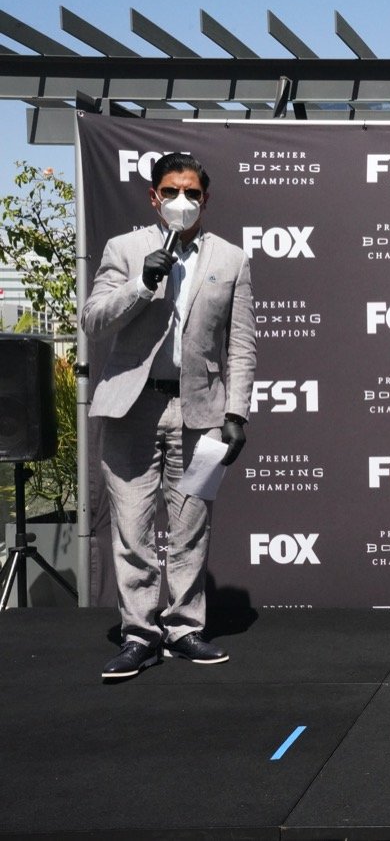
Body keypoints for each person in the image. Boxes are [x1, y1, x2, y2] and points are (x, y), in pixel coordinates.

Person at [82, 152, 256, 681]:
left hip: (199, 410)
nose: (182, 201)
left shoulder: (232, 259)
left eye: (193, 193)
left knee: (190, 527)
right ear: (153, 196)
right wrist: (140, 285)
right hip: (132, 407)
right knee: (132, 529)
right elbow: (92, 320)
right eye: (172, 191)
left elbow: (241, 345)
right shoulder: (125, 249)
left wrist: (237, 412)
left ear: (205, 199)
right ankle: (140, 635)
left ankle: (184, 628)